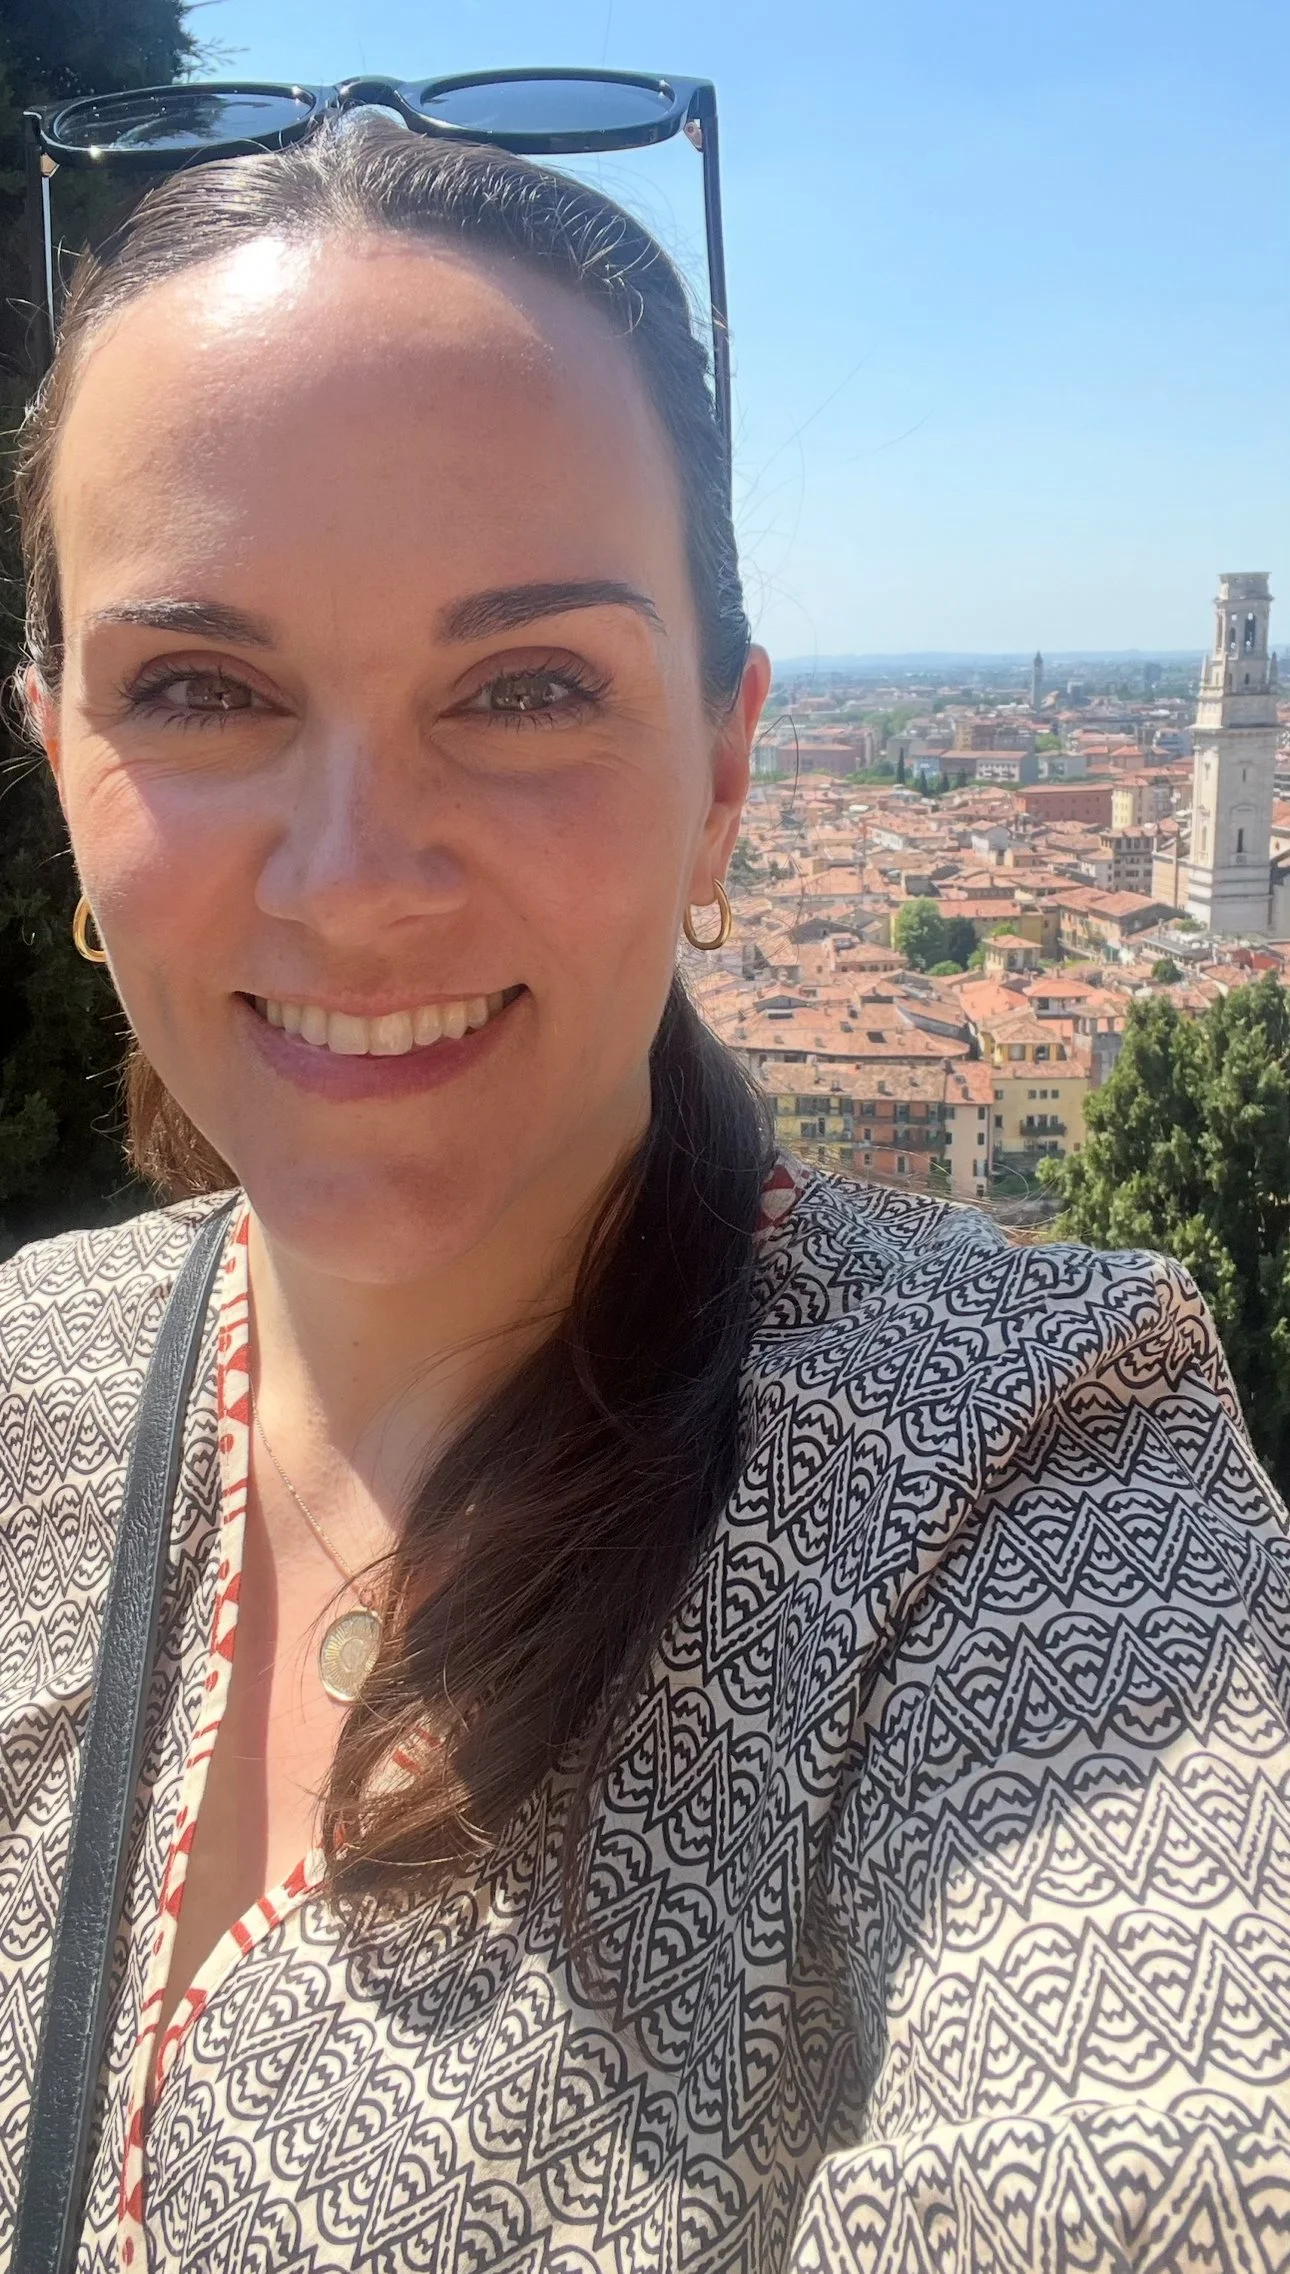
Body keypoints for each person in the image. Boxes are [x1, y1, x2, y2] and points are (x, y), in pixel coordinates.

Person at [3, 115, 1288, 2273]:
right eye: (201, 690)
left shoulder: (1038, 1480)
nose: (351, 877)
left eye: (523, 689)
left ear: (723, 768)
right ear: (58, 762)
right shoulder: (27, 1362)